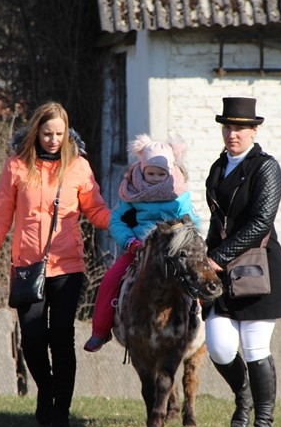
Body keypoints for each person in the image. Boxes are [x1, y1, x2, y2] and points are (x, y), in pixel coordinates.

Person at [0, 101, 110, 427]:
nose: (54, 140)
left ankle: (61, 413)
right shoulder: (16, 166)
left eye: (60, 133)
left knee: (61, 337)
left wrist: (123, 222)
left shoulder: (78, 166)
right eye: (47, 133)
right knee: (32, 340)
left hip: (68, 267)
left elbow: (97, 211)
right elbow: (0, 222)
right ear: (36, 131)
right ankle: (45, 389)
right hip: (28, 268)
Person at [203, 97, 281, 427]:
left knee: (255, 347)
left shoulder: (266, 168)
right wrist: (204, 261)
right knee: (219, 346)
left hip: (259, 267)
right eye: (227, 126)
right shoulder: (217, 167)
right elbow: (215, 222)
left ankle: (264, 425)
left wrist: (218, 257)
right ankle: (244, 394)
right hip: (221, 269)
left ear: (254, 130)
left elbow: (260, 222)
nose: (232, 134)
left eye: (240, 127)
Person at [83, 134, 199, 352]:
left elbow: (193, 222)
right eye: (151, 172)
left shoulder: (179, 195)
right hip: (139, 250)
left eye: (160, 173)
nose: (155, 178)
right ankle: (100, 330)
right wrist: (129, 241)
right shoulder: (131, 192)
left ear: (170, 172)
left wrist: (182, 239)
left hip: (173, 251)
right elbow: (116, 220)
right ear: (142, 169)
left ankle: (200, 324)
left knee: (196, 278)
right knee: (110, 278)